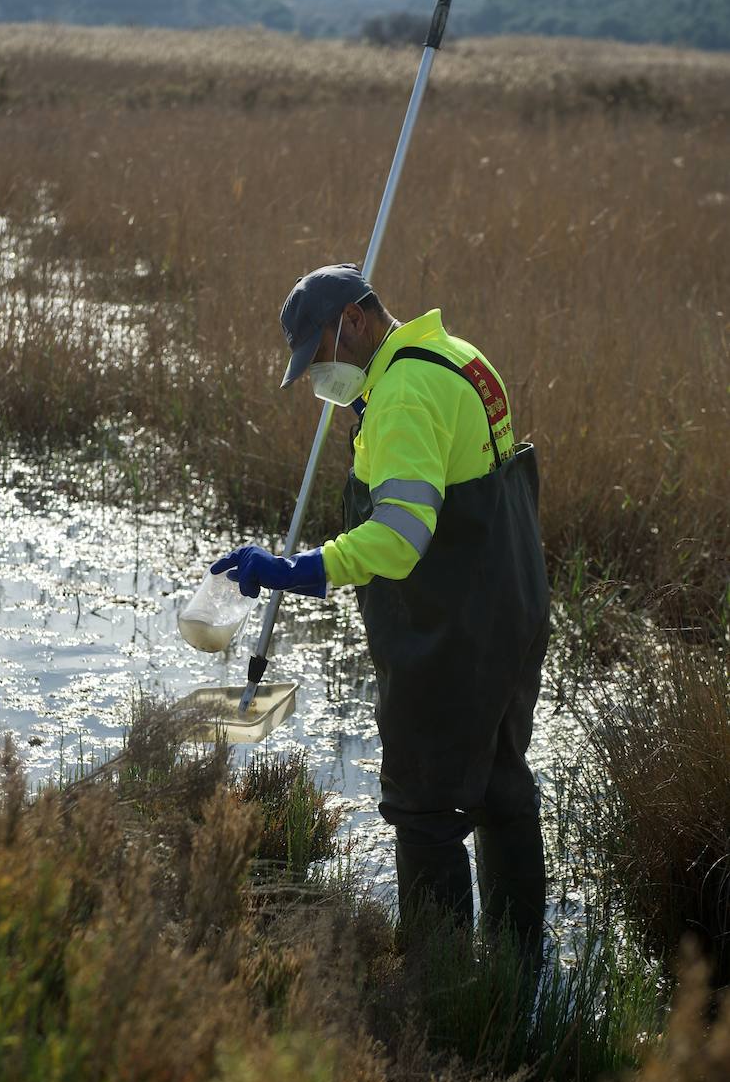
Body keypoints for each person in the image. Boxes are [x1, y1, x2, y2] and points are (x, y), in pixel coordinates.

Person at [212, 263, 550, 957]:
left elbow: (401, 537)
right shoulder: (458, 356)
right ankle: (516, 972)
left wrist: (297, 570)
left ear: (356, 322)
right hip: (513, 606)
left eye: (321, 357)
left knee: (425, 806)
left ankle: (441, 985)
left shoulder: (401, 393)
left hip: (451, 631)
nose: (317, 379)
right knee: (502, 789)